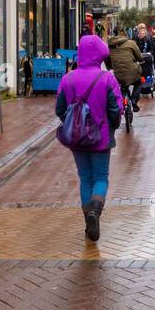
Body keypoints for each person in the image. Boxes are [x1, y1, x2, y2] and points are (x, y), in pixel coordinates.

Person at [55, 34, 123, 242]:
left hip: (77, 138)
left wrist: (75, 124)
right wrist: (111, 126)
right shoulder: (107, 78)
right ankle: (95, 211)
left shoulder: (68, 78)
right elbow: (116, 108)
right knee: (101, 178)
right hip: (100, 138)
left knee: (85, 178)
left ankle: (88, 221)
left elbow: (60, 109)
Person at [106, 30, 144, 113]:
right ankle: (134, 99)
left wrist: (110, 67)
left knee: (122, 85)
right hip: (133, 71)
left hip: (118, 74)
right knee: (139, 83)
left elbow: (107, 60)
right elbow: (139, 58)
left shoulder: (109, 46)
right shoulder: (131, 43)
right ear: (125, 35)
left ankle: (123, 102)